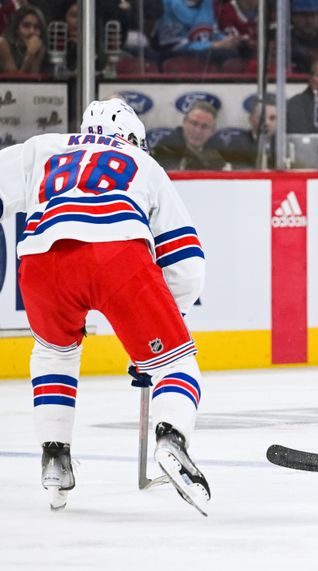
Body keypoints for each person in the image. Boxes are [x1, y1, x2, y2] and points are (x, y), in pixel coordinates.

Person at [0, 98, 210, 514]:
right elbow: (186, 265)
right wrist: (169, 325)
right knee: (177, 363)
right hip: (118, 254)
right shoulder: (142, 163)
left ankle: (55, 457)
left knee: (54, 354)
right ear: (132, 136)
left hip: (43, 261)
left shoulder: (45, 147)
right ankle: (171, 439)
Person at [152, 100, 231, 170]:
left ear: (212, 131)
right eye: (194, 123)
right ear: (184, 122)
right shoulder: (165, 148)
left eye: (204, 126)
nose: (198, 131)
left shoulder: (219, 151)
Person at [216, 93, 277, 169]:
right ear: (250, 119)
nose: (266, 123)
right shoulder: (235, 144)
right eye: (261, 117)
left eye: (272, 118)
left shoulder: (285, 145)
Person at [0, 4, 47, 74]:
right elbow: (16, 83)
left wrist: (37, 56)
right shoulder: (3, 44)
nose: (32, 31)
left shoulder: (39, 47)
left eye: (37, 27)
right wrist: (29, 54)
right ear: (17, 28)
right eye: (26, 25)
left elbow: (34, 81)